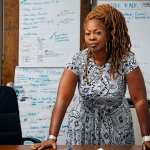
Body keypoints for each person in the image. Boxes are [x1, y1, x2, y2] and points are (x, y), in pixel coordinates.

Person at [31, 4, 150, 150]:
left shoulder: (126, 60)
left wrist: (147, 138)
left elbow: (139, 100)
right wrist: (51, 137)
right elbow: (63, 99)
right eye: (88, 33)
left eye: (97, 33)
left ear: (109, 34)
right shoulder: (78, 59)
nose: (92, 38)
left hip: (118, 126)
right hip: (83, 126)